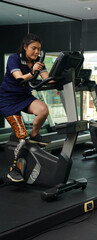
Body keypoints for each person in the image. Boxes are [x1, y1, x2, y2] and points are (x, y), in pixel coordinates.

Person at [0, 33, 50, 183]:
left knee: (43, 110)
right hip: (8, 100)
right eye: (33, 48)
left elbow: (47, 78)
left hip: (25, 97)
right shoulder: (14, 59)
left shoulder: (38, 62)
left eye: (39, 49)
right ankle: (13, 170)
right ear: (25, 47)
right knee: (21, 135)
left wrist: (59, 78)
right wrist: (33, 71)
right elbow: (19, 78)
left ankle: (34, 137)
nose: (36, 52)